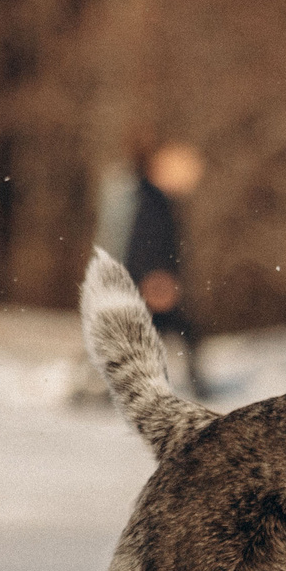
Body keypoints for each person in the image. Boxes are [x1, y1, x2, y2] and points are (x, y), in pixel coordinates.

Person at [98, 136, 204, 397]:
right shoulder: (153, 201)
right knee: (174, 331)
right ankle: (195, 387)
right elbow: (145, 243)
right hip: (151, 281)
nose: (193, 179)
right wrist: (155, 278)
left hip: (144, 279)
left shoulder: (150, 196)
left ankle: (110, 386)